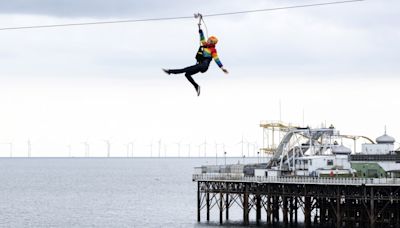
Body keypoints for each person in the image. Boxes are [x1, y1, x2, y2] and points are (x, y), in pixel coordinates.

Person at [163, 25, 228, 96]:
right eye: (208, 39)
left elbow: (216, 59)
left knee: (184, 69)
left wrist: (222, 67)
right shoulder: (205, 45)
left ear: (212, 43)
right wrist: (200, 30)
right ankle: (196, 86)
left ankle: (169, 71)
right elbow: (202, 39)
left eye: (210, 40)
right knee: (187, 74)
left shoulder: (213, 50)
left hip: (204, 66)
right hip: (199, 65)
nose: (208, 40)